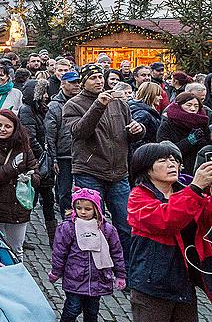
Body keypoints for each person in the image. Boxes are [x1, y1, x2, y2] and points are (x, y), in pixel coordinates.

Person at [126, 142, 212, 322]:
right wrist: (195, 189)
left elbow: (206, 221)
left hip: (183, 282)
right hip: (151, 284)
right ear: (146, 168)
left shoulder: (185, 192)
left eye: (174, 159)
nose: (171, 163)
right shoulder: (138, 197)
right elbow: (166, 221)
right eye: (163, 160)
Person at [63, 63, 144, 270]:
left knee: (125, 225)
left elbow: (129, 133)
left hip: (118, 173)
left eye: (100, 77)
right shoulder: (73, 104)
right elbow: (79, 131)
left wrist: (138, 129)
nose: (98, 81)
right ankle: (90, 269)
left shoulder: (119, 103)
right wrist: (98, 105)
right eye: (93, 78)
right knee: (89, 223)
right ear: (83, 82)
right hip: (89, 172)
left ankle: (125, 269)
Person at [50, 187, 125, 322]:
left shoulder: (106, 229)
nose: (83, 212)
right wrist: (56, 271)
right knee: (72, 308)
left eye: (87, 209)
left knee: (92, 311)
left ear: (96, 209)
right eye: (79, 208)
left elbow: (117, 252)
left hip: (97, 279)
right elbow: (60, 251)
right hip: (75, 277)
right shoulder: (69, 227)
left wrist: (120, 274)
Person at [0, 109, 39, 256]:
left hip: (18, 207)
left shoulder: (23, 147)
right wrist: (13, 168)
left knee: (16, 249)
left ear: (14, 128)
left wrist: (28, 178)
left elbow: (36, 175)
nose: (2, 129)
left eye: (7, 126)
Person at [19, 79, 57, 244]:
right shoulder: (27, 110)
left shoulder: (42, 110)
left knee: (48, 199)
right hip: (35, 162)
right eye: (43, 93)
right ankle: (21, 233)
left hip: (43, 161)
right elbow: (30, 137)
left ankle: (53, 236)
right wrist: (44, 156)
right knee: (31, 199)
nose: (47, 96)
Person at [45, 70, 79, 219]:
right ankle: (67, 218)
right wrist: (53, 158)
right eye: (72, 82)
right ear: (63, 84)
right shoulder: (54, 106)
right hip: (63, 153)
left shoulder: (81, 101)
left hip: (80, 153)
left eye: (78, 82)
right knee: (64, 189)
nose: (76, 85)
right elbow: (50, 135)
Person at [156, 91, 210, 175]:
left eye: (196, 106)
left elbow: (207, 147)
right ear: (179, 106)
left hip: (200, 170)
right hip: (177, 171)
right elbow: (164, 151)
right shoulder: (168, 124)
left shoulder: (202, 123)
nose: (193, 109)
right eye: (189, 105)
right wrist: (189, 141)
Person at [129, 81, 162, 154]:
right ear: (150, 95)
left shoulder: (148, 111)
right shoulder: (143, 114)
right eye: (158, 95)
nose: (161, 98)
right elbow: (135, 140)